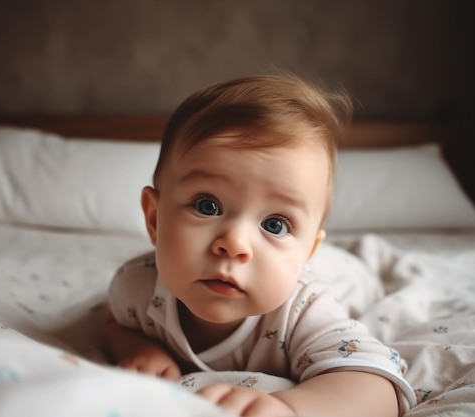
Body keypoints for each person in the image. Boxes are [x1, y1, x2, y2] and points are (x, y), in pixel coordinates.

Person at [103, 74, 415, 417]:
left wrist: (291, 410)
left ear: (306, 252)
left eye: (275, 225)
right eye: (207, 206)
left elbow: (377, 387)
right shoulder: (135, 286)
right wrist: (135, 346)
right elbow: (113, 321)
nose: (235, 244)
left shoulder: (303, 311)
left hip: (348, 276)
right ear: (154, 220)